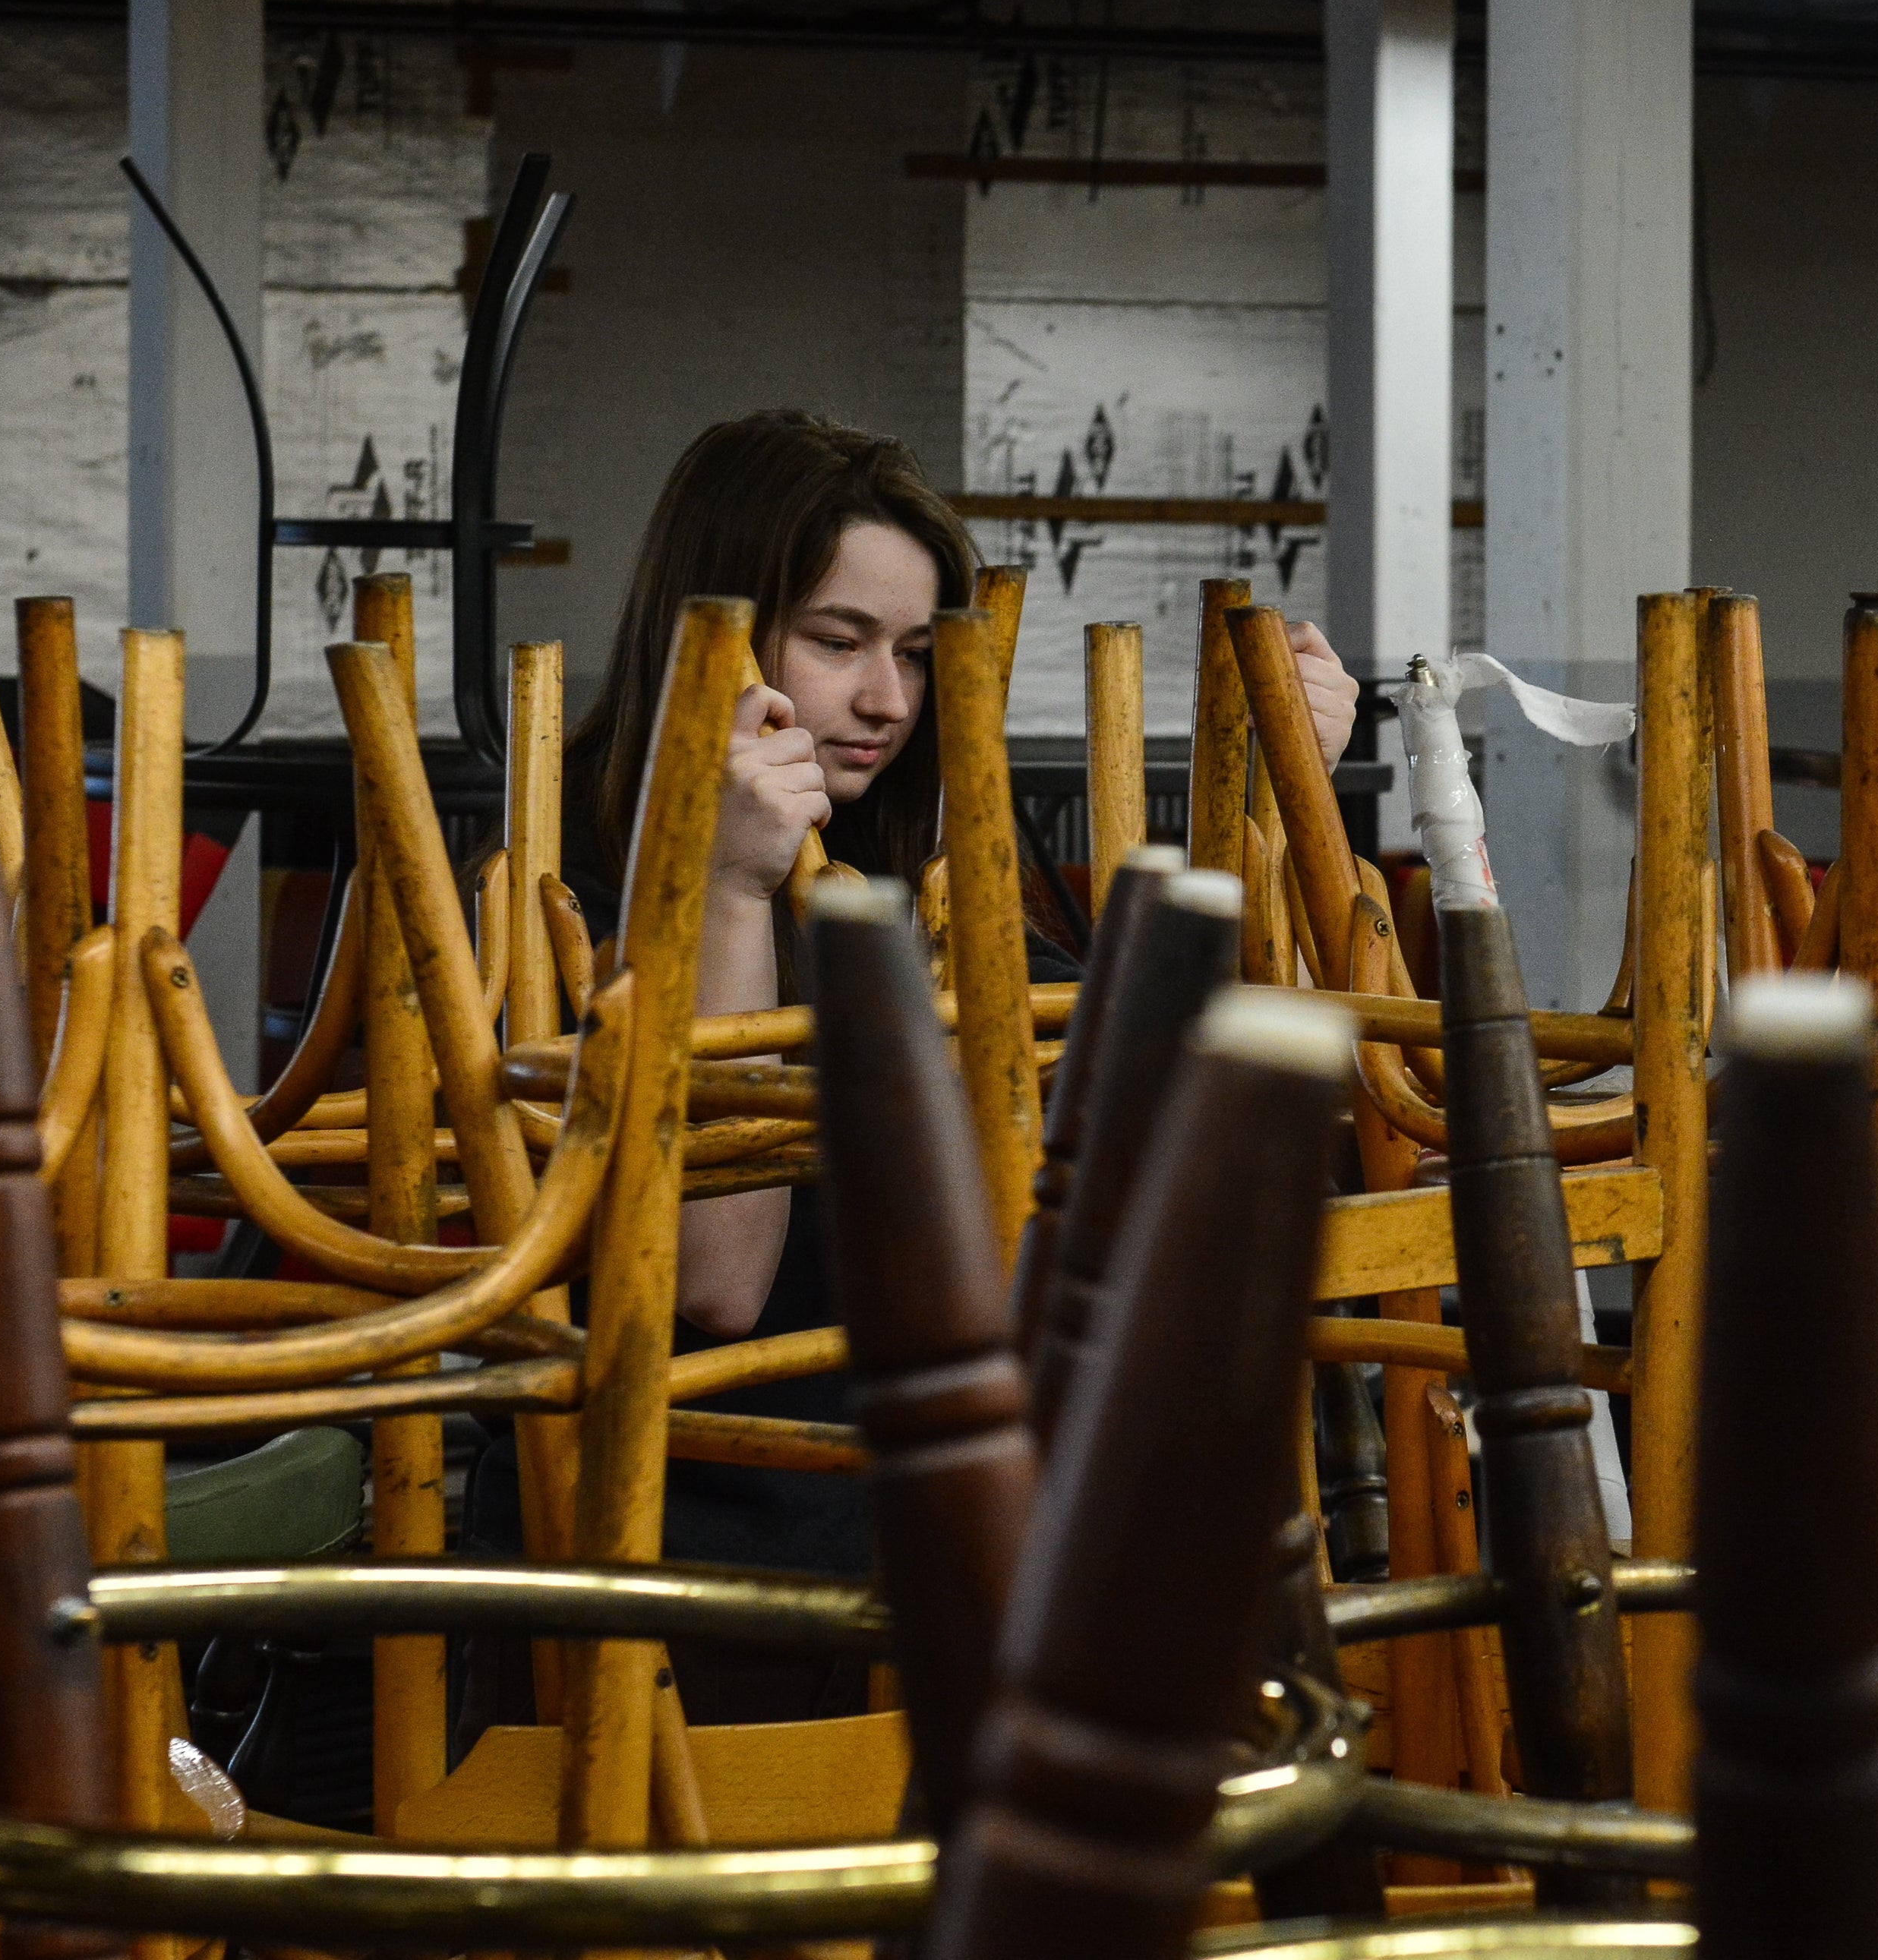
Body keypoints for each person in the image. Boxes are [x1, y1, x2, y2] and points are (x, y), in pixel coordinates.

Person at [456, 409, 1358, 1733]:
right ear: (712, 629)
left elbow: (1123, 1113)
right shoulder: (549, 890)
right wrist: (723, 891)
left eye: (919, 657)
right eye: (836, 643)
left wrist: (1283, 808)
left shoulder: (917, 886)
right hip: (671, 1591)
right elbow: (710, 1283)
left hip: (944, 1570)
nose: (885, 700)